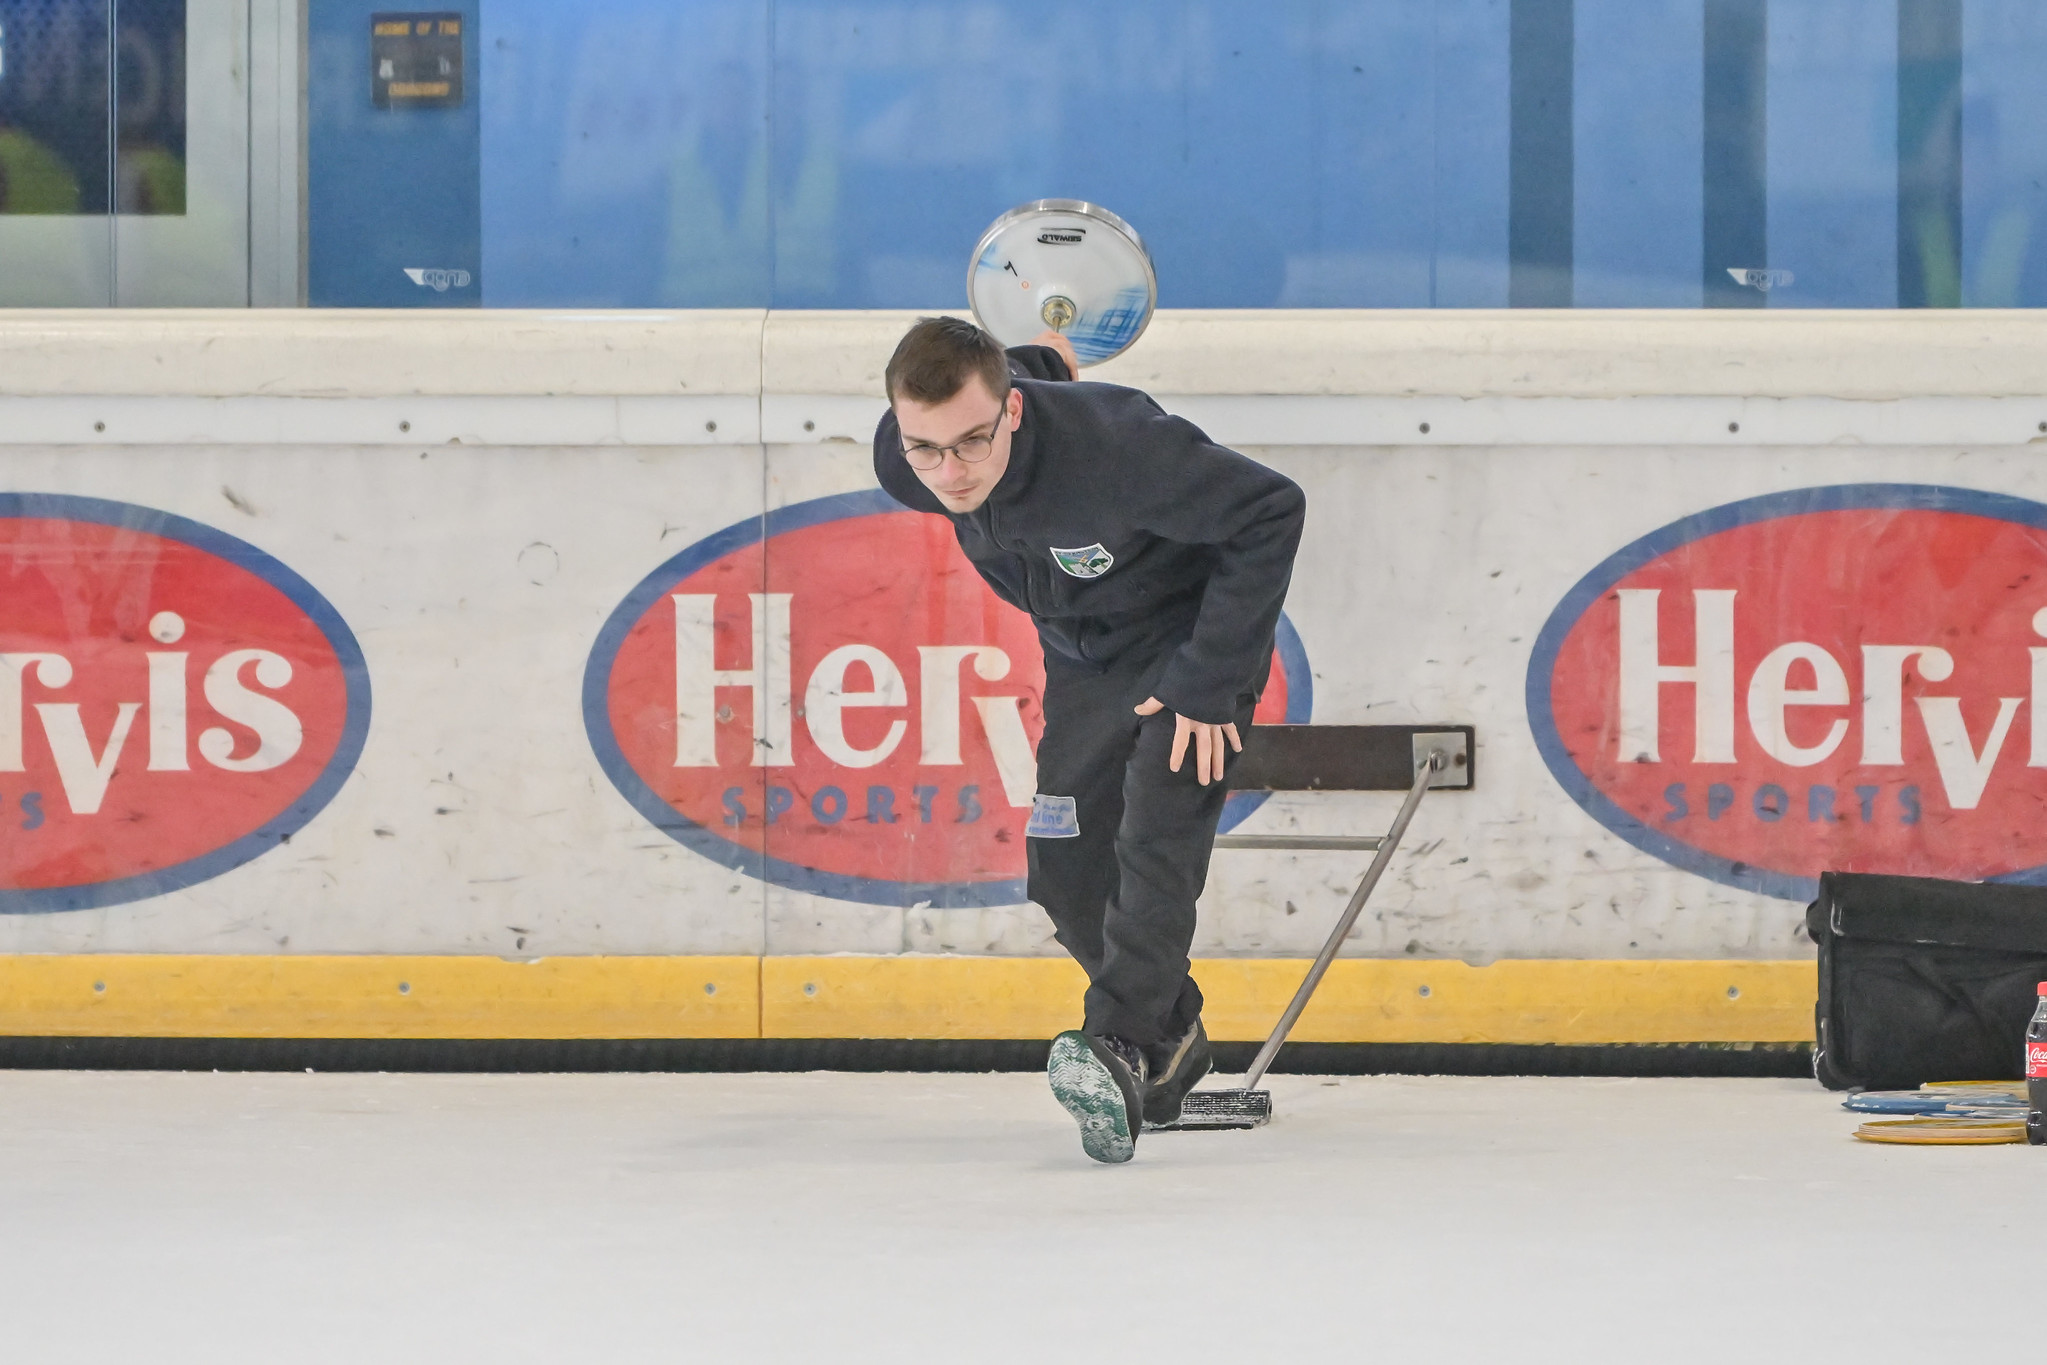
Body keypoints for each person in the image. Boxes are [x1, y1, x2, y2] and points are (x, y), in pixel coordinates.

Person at [873, 316, 1306, 1164]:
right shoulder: (906, 461)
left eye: (972, 442)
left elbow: (1269, 509)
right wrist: (1042, 357)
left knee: (1152, 831)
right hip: (1085, 659)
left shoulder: (1117, 447)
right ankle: (1171, 1042)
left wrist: (1208, 681)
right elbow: (1011, 375)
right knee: (1065, 866)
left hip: (1188, 645)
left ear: (1012, 414)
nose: (950, 472)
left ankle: (1117, 1042)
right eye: (926, 448)